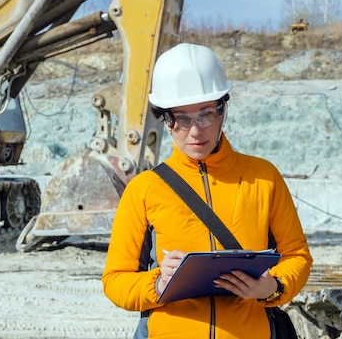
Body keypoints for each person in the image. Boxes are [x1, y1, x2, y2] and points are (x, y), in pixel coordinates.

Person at [101, 43, 312, 339]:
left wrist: (272, 287)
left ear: (223, 110)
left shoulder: (264, 178)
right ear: (165, 120)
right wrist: (158, 283)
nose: (196, 131)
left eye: (206, 114)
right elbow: (115, 280)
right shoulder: (144, 189)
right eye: (181, 118)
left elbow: (298, 257)